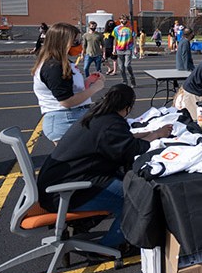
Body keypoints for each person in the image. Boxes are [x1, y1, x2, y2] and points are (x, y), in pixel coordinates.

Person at [37, 84, 172, 251]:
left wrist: (154, 133)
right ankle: (110, 246)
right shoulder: (111, 124)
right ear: (128, 107)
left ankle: (82, 223)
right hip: (66, 192)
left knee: (123, 184)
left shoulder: (97, 116)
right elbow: (132, 148)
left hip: (57, 184)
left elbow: (123, 138)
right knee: (136, 197)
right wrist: (155, 136)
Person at [32, 22, 105, 143]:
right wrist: (94, 88)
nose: (80, 45)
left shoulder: (63, 62)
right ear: (62, 42)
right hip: (65, 119)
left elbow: (69, 88)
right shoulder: (53, 67)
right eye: (75, 42)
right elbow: (67, 101)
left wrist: (88, 81)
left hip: (72, 116)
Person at [112, 16, 137, 87]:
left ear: (127, 20)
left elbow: (134, 38)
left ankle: (132, 79)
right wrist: (114, 49)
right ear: (120, 20)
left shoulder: (130, 28)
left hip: (128, 48)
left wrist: (135, 48)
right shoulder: (116, 29)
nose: (123, 20)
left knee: (127, 65)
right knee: (121, 67)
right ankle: (125, 81)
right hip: (119, 49)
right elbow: (115, 39)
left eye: (125, 19)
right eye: (122, 19)